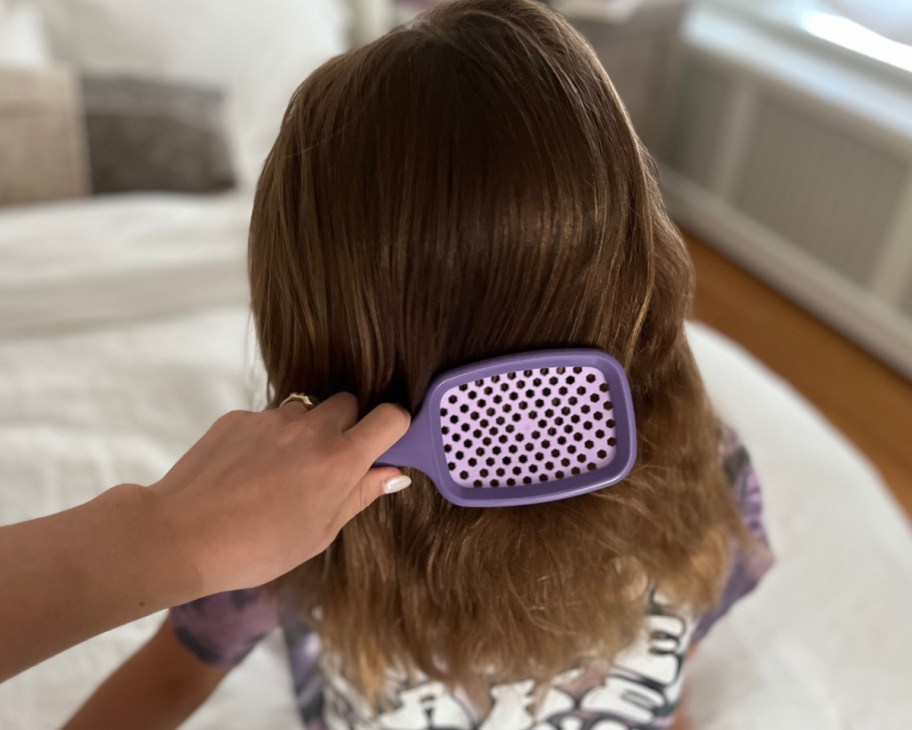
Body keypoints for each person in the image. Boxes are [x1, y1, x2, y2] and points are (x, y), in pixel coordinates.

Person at [65, 1, 773, 728]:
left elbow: (675, 661)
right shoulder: (293, 525)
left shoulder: (704, 476)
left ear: (300, 326)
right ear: (639, 268)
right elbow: (171, 678)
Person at [0, 395, 411, 684]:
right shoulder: (281, 544)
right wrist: (170, 532)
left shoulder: (272, 544)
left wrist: (169, 530)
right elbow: (175, 676)